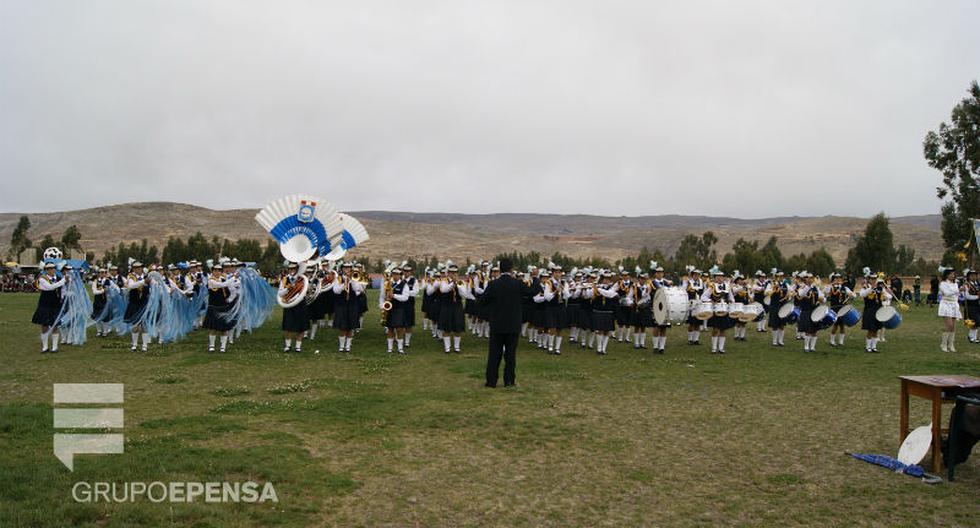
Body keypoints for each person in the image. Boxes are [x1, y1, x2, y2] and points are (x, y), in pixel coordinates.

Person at [482, 258, 528, 388]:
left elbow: (483, 301)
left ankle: (491, 381)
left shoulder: (493, 284)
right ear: (511, 269)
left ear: (500, 269)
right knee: (510, 355)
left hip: (497, 323)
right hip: (513, 324)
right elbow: (532, 292)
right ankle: (509, 381)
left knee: (494, 354)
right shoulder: (518, 284)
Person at [33, 262, 65, 353]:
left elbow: (62, 290)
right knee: (44, 325)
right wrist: (63, 281)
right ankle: (45, 347)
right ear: (46, 270)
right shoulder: (42, 279)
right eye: (49, 269)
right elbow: (50, 287)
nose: (51, 270)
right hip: (45, 304)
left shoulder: (59, 278)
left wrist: (62, 298)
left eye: (53, 268)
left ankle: (54, 347)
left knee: (55, 325)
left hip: (55, 305)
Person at [938, 267, 961, 352]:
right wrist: (958, 291)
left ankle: (951, 344)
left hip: (954, 305)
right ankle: (943, 344)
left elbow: (957, 294)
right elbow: (946, 293)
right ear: (947, 275)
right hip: (946, 304)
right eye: (951, 274)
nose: (953, 275)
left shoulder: (955, 284)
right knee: (949, 325)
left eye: (954, 274)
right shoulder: (943, 283)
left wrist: (962, 291)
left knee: (953, 327)